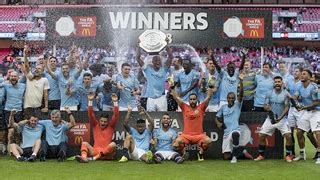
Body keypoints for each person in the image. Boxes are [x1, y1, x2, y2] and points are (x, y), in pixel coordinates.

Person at [254, 76, 293, 162]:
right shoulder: (269, 93)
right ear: (274, 83)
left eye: (279, 82)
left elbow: (287, 107)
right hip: (270, 119)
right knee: (261, 135)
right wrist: (266, 107)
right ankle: (261, 155)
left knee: (288, 136)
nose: (277, 83)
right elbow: (265, 105)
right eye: (276, 82)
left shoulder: (286, 94)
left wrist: (280, 117)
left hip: (282, 119)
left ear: (282, 83)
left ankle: (288, 155)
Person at [215, 73, 253, 163]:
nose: (231, 100)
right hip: (226, 133)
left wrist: (241, 81)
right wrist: (218, 122)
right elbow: (216, 117)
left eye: (233, 98)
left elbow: (241, 94)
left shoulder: (237, 106)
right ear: (227, 98)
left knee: (235, 134)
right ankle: (242, 153)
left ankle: (235, 157)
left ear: (235, 98)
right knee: (225, 157)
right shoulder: (223, 107)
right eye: (229, 98)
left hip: (235, 130)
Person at [171, 85, 214, 161]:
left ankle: (200, 153)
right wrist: (172, 87)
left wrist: (210, 87)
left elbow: (209, 97)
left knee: (209, 142)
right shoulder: (184, 107)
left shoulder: (201, 107)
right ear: (189, 100)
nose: (192, 101)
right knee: (175, 144)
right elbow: (176, 97)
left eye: (194, 99)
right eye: (191, 99)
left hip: (199, 135)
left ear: (197, 100)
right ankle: (184, 152)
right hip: (186, 135)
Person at [75, 93, 119, 163]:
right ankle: (84, 158)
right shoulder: (95, 125)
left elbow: (116, 115)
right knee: (84, 143)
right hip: (95, 151)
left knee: (113, 144)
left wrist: (115, 102)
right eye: (101, 121)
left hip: (107, 154)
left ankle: (94, 158)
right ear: (99, 121)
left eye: (105, 122)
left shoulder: (111, 126)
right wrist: (90, 101)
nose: (103, 123)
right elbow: (90, 114)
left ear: (108, 122)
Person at [293, 69, 320, 164]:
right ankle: (302, 154)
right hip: (306, 111)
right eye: (302, 74)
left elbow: (317, 102)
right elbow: (296, 96)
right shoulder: (299, 86)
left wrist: (304, 107)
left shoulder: (314, 87)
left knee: (317, 132)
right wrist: (294, 100)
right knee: (299, 132)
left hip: (316, 111)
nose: (302, 75)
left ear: (309, 76)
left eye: (304, 74)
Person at [136, 45, 173, 111]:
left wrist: (166, 44)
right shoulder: (147, 69)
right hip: (151, 98)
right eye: (155, 60)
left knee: (162, 117)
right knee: (150, 117)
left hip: (162, 98)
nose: (158, 62)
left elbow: (170, 57)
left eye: (159, 60)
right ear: (152, 62)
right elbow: (138, 58)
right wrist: (139, 46)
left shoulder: (164, 69)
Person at [22, 45, 50, 117]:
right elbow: (26, 66)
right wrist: (25, 55)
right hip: (27, 107)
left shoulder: (45, 80)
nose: (37, 69)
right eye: (36, 68)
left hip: (38, 107)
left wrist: (46, 107)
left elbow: (45, 94)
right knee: (28, 125)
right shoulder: (30, 76)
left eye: (39, 69)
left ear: (42, 71)